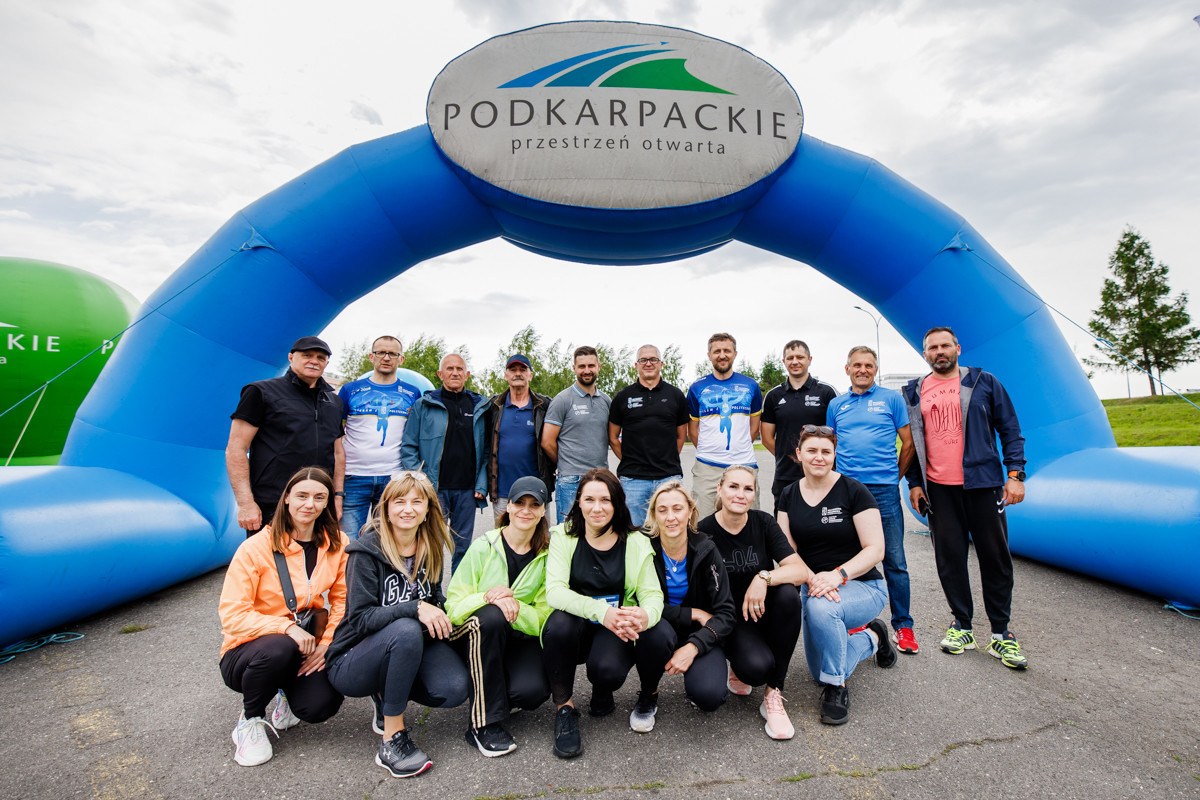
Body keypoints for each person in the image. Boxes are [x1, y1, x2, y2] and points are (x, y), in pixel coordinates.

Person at [326, 471, 470, 779]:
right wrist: (414, 607)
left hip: (406, 644)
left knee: (454, 688)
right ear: (386, 508)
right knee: (406, 628)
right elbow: (360, 619)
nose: (408, 509)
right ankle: (391, 738)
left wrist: (472, 605)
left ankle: (389, 689)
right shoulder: (366, 551)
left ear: (428, 509)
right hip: (353, 657)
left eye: (417, 502)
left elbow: (435, 600)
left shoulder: (429, 545)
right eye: (399, 501)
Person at [903, 327, 1030, 669]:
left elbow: (1010, 429)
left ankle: (1001, 633)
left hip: (983, 485)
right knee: (950, 559)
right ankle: (962, 625)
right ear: (925, 354)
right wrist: (914, 483)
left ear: (957, 348)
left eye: (945, 345)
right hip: (938, 489)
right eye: (933, 347)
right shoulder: (914, 391)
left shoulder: (984, 382)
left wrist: (1015, 475)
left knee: (995, 558)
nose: (939, 351)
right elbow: (912, 442)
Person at [218, 466, 348, 767]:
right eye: (302, 495)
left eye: (319, 497)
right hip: (250, 651)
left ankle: (285, 694)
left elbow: (343, 601)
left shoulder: (337, 543)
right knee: (280, 647)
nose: (309, 504)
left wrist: (326, 644)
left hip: (306, 644)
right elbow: (232, 615)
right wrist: (285, 627)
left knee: (321, 706)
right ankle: (250, 719)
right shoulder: (254, 549)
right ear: (287, 498)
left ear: (327, 503)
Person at [541, 468, 671, 757]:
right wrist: (601, 611)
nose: (597, 508)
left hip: (616, 625)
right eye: (589, 499)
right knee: (558, 625)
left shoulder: (635, 540)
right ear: (578, 501)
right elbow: (555, 592)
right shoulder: (564, 535)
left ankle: (604, 689)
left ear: (617, 503)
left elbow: (652, 595)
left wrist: (644, 616)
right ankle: (565, 710)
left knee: (609, 671)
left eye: (605, 500)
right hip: (577, 624)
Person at [776, 425, 896, 726]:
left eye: (826, 452)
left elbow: (876, 549)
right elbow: (787, 553)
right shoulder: (788, 495)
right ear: (799, 454)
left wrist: (837, 575)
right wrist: (813, 579)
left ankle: (836, 689)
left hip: (862, 585)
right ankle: (873, 636)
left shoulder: (854, 491)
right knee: (819, 671)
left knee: (821, 608)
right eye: (812, 451)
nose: (819, 457)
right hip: (815, 586)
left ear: (834, 455)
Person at [445, 476, 553, 757]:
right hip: (473, 633)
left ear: (543, 510)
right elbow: (453, 607)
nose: (526, 510)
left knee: (532, 693)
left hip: (514, 636)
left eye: (534, 505)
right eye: (519, 503)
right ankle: (483, 723)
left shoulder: (546, 556)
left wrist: (515, 608)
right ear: (509, 507)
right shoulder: (484, 546)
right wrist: (488, 598)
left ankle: (495, 688)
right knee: (492, 617)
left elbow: (544, 617)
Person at [697, 465, 806, 741]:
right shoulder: (703, 532)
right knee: (756, 669)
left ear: (754, 494)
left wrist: (764, 577)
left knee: (788, 595)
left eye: (748, 489)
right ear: (719, 489)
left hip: (762, 612)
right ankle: (738, 663)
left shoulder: (763, 522)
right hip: (730, 619)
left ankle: (773, 693)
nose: (740, 494)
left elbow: (799, 570)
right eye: (733, 486)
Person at [826, 346, 920, 655]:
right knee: (851, 559)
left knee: (894, 559)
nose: (863, 370)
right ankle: (857, 621)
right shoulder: (836, 404)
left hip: (884, 490)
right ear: (847, 369)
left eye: (868, 365)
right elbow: (832, 445)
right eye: (857, 365)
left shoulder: (892, 399)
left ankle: (903, 625)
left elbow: (908, 443)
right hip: (848, 492)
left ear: (875, 369)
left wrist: (895, 476)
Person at [226, 336, 345, 536]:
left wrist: (337, 497)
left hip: (316, 504)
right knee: (269, 557)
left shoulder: (334, 402)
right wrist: (245, 503)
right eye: (307, 355)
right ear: (291, 357)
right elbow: (236, 449)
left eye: (321, 357)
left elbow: (338, 453)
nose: (314, 361)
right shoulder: (260, 392)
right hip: (272, 502)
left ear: (326, 363)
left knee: (313, 556)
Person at [643, 481, 736, 721]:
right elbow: (636, 604)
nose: (670, 517)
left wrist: (694, 646)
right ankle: (648, 693)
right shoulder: (643, 548)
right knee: (655, 633)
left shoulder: (706, 549)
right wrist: (692, 612)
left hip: (698, 632)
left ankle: (699, 677)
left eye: (677, 509)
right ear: (654, 515)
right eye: (662, 510)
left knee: (710, 696)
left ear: (690, 512)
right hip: (658, 628)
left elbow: (726, 613)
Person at [400, 353, 489, 573]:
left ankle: (459, 590)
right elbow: (409, 447)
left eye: (459, 369)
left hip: (467, 491)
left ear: (467, 374)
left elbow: (487, 451)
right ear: (440, 374)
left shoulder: (479, 406)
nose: (455, 373)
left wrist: (481, 484)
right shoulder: (424, 405)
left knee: (463, 548)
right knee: (432, 545)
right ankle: (432, 589)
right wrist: (421, 482)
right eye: (450, 369)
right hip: (434, 490)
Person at [339, 335, 423, 538]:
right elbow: (336, 432)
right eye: (381, 352)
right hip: (353, 477)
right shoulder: (350, 390)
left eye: (392, 353)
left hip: (393, 478)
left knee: (388, 540)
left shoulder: (412, 393)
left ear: (401, 359)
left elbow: (416, 435)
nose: (386, 357)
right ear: (371, 356)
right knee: (350, 541)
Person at [608, 344, 689, 527]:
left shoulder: (676, 395)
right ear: (636, 365)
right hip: (633, 480)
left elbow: (680, 436)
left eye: (653, 359)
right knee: (633, 532)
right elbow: (613, 437)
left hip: (669, 477)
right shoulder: (623, 397)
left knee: (672, 528)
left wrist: (666, 458)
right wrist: (630, 459)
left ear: (661, 364)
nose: (648, 363)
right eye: (643, 360)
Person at [687, 333, 764, 519]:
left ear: (735, 354)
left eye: (727, 351)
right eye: (717, 351)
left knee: (748, 523)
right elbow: (693, 430)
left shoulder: (751, 385)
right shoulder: (697, 388)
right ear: (709, 355)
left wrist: (738, 448)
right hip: (707, 467)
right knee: (702, 524)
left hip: (744, 464)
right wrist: (711, 449)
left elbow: (754, 428)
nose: (722, 355)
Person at [760, 339, 837, 513]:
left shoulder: (827, 392)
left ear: (809, 359)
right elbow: (766, 438)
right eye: (790, 358)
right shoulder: (773, 396)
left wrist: (815, 458)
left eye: (800, 357)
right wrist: (796, 456)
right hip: (785, 475)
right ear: (784, 361)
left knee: (821, 523)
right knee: (783, 525)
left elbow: (837, 435)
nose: (795, 361)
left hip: (821, 472)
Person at [542, 346, 612, 524]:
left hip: (601, 478)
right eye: (582, 366)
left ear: (598, 366)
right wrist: (566, 463)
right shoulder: (562, 400)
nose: (587, 370)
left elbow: (612, 437)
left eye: (591, 365)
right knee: (568, 532)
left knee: (599, 529)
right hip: (571, 481)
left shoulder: (606, 401)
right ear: (574, 368)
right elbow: (547, 442)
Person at [487, 353, 554, 527]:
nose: (518, 373)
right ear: (506, 375)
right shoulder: (493, 406)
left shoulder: (545, 406)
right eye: (513, 369)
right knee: (503, 538)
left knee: (541, 538)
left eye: (522, 370)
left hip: (537, 491)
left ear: (530, 375)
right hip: (503, 492)